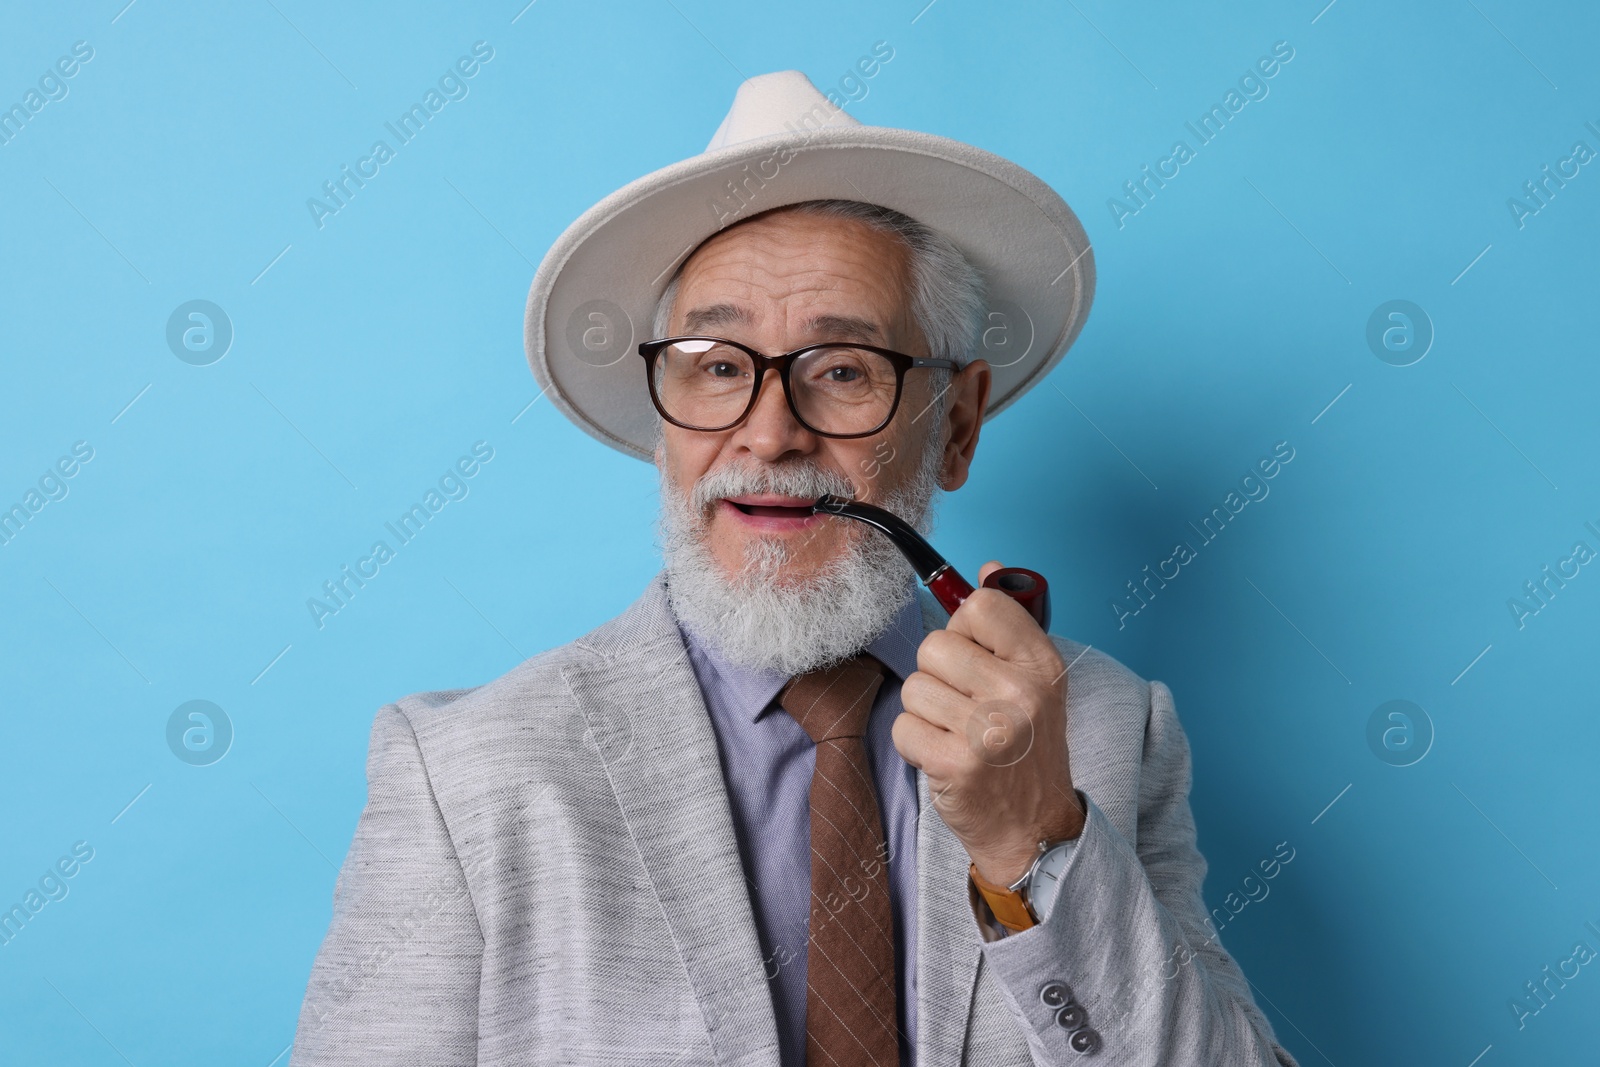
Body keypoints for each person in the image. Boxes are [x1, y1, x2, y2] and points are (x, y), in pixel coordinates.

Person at [290, 70, 1298, 1066]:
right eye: (718, 366)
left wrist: (1036, 836)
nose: (767, 435)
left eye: (844, 372)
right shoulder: (462, 773)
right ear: (662, 425)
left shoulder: (1109, 729)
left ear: (955, 424)